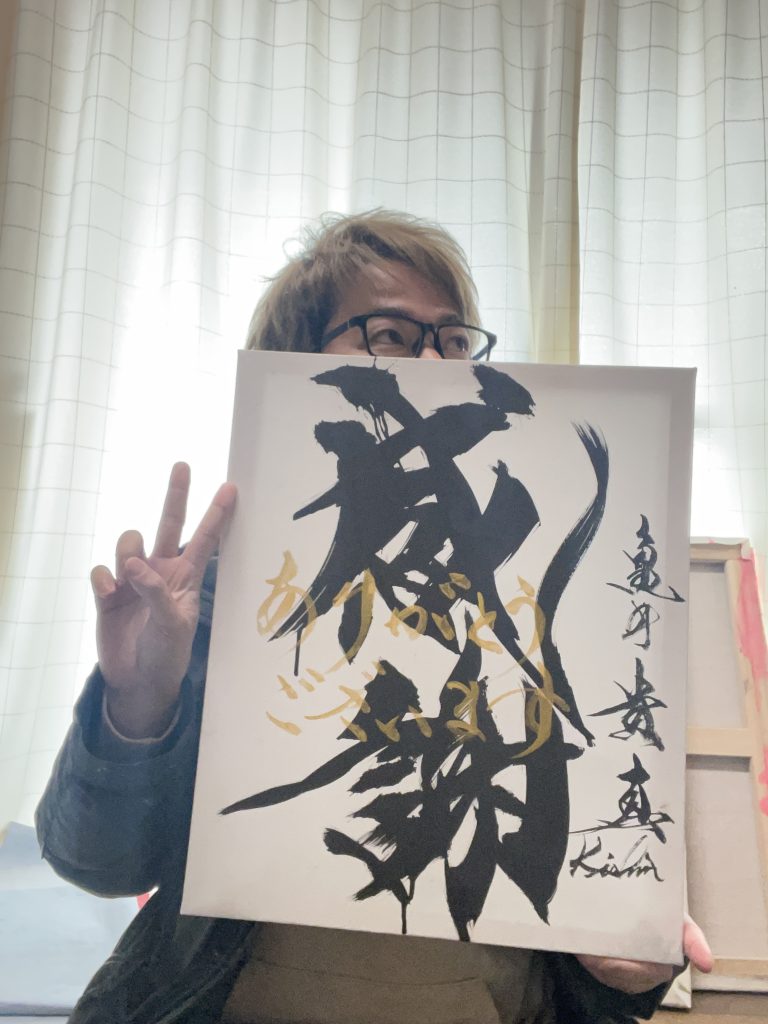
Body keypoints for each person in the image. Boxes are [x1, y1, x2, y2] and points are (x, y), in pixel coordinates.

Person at [36, 211, 713, 1023]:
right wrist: (138, 701)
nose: (433, 364)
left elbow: (601, 929)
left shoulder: (550, 584)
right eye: (389, 335)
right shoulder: (221, 599)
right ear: (292, 368)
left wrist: (627, 968)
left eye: (454, 341)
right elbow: (96, 863)